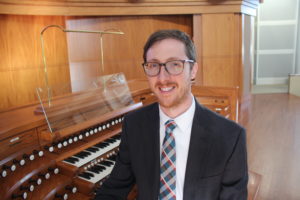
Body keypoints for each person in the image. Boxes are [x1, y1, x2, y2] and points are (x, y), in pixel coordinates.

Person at [95, 29, 248, 200]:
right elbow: (115, 188)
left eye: (174, 64)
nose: (162, 78)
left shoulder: (230, 136)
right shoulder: (135, 124)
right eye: (153, 65)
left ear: (193, 70)